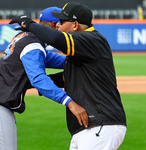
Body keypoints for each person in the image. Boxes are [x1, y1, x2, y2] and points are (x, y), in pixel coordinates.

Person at [10, 2, 127, 150]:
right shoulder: (83, 48)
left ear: (75, 25)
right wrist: (31, 83)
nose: (58, 25)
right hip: (91, 127)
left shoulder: (91, 39)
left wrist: (29, 24)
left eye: (62, 22)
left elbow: (56, 39)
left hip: (100, 124)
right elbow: (67, 78)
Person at [0, 6, 88, 150]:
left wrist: (85, 64)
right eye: (62, 23)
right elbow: (38, 79)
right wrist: (69, 102)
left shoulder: (29, 39)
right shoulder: (33, 45)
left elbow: (52, 59)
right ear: (54, 25)